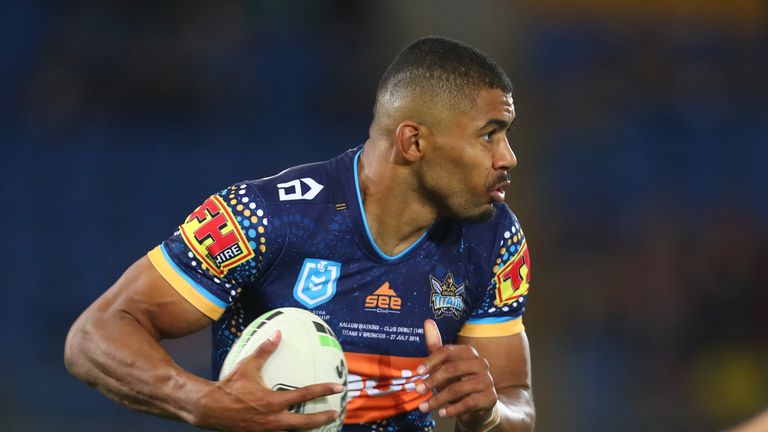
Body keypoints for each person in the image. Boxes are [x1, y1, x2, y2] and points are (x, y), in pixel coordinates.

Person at [65, 36, 535, 432]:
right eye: (489, 134)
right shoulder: (262, 218)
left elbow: (518, 400)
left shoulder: (495, 239)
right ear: (413, 142)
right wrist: (200, 401)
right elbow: (95, 335)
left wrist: (490, 413)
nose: (508, 157)